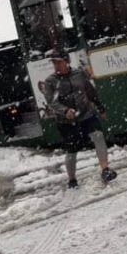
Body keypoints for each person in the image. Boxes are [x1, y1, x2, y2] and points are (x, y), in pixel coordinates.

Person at [42, 51, 117, 189]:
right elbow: (51, 102)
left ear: (67, 61)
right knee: (71, 151)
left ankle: (105, 170)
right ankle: (72, 180)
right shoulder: (50, 81)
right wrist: (65, 111)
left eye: (59, 62)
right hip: (66, 122)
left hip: (86, 114)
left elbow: (90, 91)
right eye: (54, 63)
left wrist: (100, 108)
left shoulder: (79, 74)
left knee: (98, 135)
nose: (56, 65)